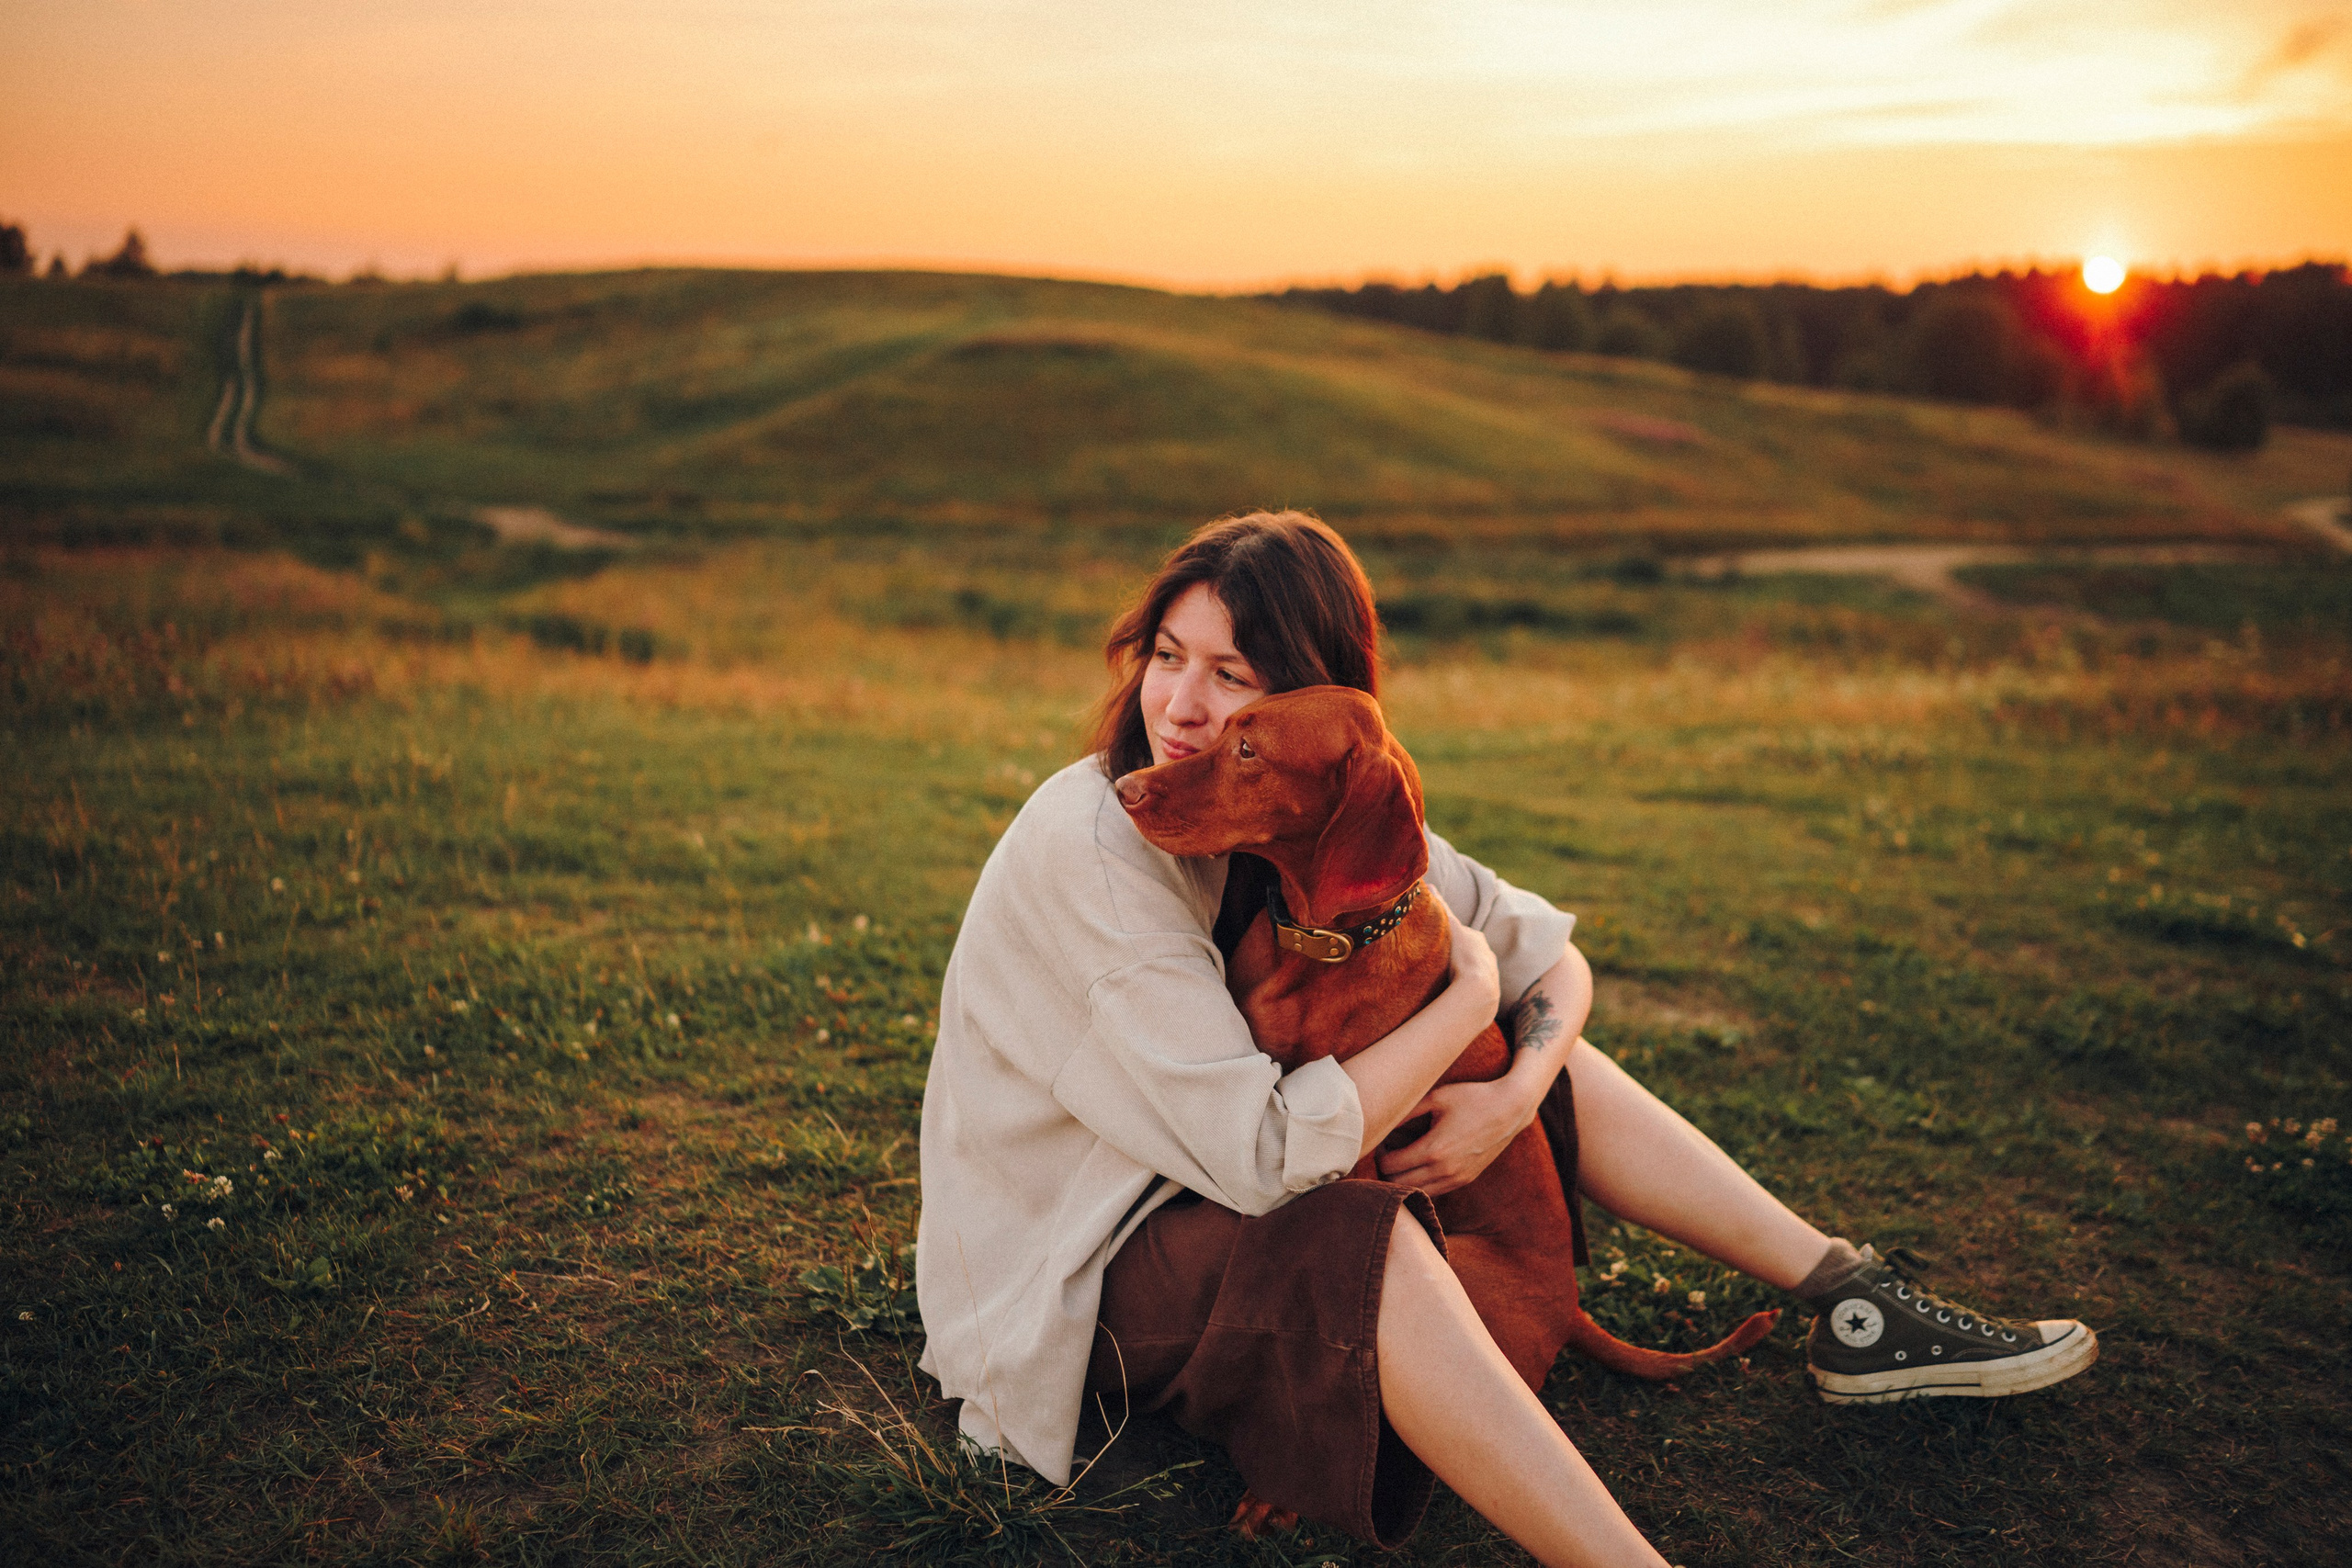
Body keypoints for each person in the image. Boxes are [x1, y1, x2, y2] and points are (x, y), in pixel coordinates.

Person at [916, 511, 2096, 1565]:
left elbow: (1551, 960)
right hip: (1079, 1270)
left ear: (1321, 715)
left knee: (1534, 1060)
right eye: (1168, 657)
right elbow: (1268, 1157)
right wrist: (1468, 997)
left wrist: (1512, 1081)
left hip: (1213, 1194)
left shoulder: (1316, 815)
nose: (1180, 706)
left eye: (1233, 677)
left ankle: (1850, 1299)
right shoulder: (1099, 846)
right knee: (1353, 1218)